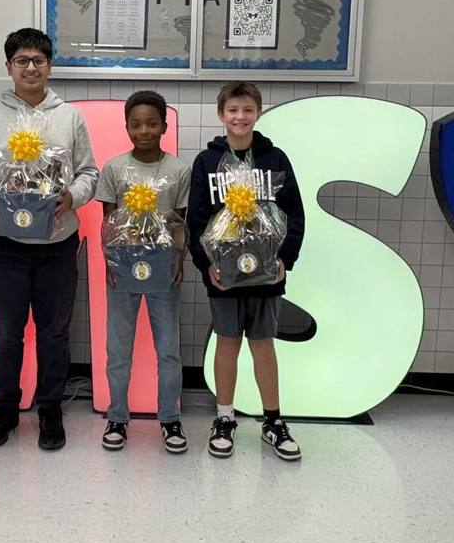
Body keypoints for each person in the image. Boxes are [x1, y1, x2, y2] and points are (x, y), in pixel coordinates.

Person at [0, 28, 99, 451]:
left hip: (57, 244)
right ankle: (6, 406)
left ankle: (50, 408)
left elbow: (89, 174)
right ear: (8, 67)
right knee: (6, 332)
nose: (31, 67)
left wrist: (69, 197)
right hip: (5, 244)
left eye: (38, 60)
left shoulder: (69, 117)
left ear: (50, 66)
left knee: (55, 333)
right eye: (22, 60)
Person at [186, 81, 305, 460]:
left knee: (263, 344)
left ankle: (273, 421)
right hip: (224, 274)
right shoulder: (206, 163)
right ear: (221, 115)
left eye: (248, 110)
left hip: (267, 273)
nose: (240, 117)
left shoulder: (276, 159)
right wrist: (207, 266)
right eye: (233, 110)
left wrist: (285, 258)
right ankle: (224, 418)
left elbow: (294, 213)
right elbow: (197, 220)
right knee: (227, 342)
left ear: (259, 112)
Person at [96, 91, 191, 454]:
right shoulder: (114, 169)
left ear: (165, 125)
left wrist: (179, 261)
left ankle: (170, 418)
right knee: (118, 348)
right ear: (126, 127)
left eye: (152, 123)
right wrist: (110, 263)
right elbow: (109, 223)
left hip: (164, 270)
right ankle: (117, 416)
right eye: (136, 124)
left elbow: (180, 223)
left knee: (168, 348)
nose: (144, 130)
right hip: (122, 270)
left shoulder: (178, 170)